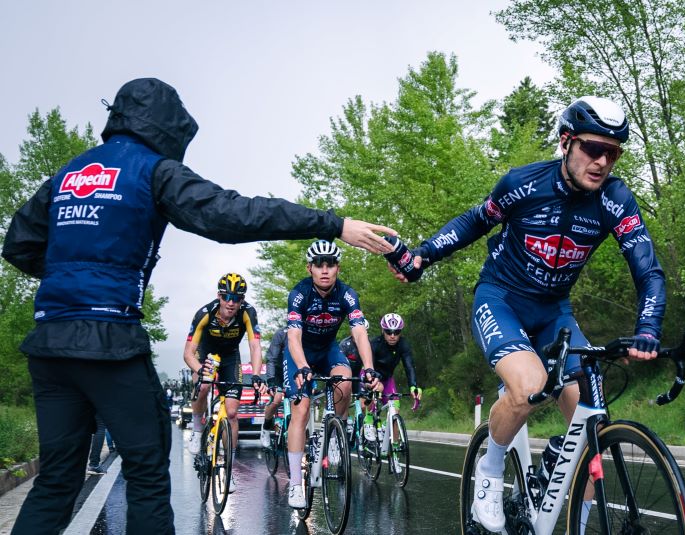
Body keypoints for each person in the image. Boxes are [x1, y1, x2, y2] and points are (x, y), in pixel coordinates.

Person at [1, 77, 395, 535]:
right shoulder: (153, 170)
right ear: (165, 126)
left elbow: (18, 245)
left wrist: (72, 278)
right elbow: (232, 214)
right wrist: (333, 224)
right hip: (109, 338)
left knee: (55, 481)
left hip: (49, 341)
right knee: (147, 473)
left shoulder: (68, 173)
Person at [390, 96, 664, 532]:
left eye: (612, 153)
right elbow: (475, 221)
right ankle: (490, 468)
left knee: (589, 429)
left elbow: (647, 269)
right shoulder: (524, 183)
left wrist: (647, 327)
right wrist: (422, 256)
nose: (601, 162)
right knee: (529, 387)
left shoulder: (615, 199)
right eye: (593, 148)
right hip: (501, 299)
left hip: (554, 312)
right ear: (566, 142)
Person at [284, 240, 383, 509]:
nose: (325, 270)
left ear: (338, 267)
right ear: (310, 268)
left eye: (330, 264)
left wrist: (369, 367)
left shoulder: (347, 295)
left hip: (328, 350)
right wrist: (302, 366)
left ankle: (335, 438)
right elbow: (293, 336)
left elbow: (359, 332)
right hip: (300, 353)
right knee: (301, 409)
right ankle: (295, 484)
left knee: (346, 381)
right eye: (319, 265)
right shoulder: (299, 294)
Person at [183, 272, 263, 492]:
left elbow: (255, 346)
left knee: (233, 412)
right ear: (219, 296)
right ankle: (197, 430)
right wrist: (200, 370)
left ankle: (229, 468)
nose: (231, 302)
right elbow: (188, 353)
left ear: (242, 300)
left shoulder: (248, 312)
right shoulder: (204, 313)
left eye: (236, 298)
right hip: (205, 354)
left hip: (230, 358)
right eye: (226, 297)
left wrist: (256, 374)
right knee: (204, 385)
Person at [362, 313, 421, 441]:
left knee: (395, 410)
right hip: (371, 375)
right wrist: (373, 381)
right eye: (389, 332)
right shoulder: (375, 344)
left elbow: (409, 366)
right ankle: (369, 419)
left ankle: (394, 446)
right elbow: (369, 366)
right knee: (377, 389)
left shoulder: (403, 345)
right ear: (383, 330)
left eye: (396, 332)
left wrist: (413, 386)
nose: (392, 336)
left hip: (387, 378)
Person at [259, 325, 288, 448]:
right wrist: (271, 381)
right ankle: (266, 428)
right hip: (278, 371)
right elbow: (271, 359)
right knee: (277, 398)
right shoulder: (281, 334)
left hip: (293, 371)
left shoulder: (306, 333)